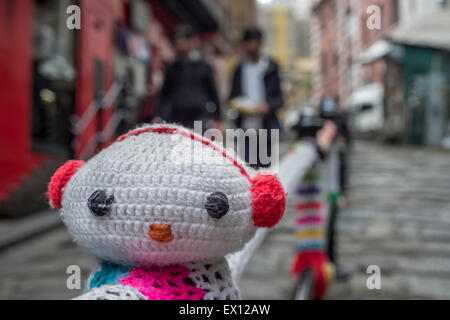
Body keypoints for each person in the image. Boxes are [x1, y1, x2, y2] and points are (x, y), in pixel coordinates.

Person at [229, 27, 283, 168]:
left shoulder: (271, 67)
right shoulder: (239, 69)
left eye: (253, 42)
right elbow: (232, 97)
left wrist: (267, 106)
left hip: (266, 127)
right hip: (245, 128)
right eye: (247, 42)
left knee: (265, 170)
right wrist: (239, 106)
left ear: (260, 43)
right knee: (247, 169)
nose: (250, 46)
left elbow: (280, 99)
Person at [153, 25, 222, 132]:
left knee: (197, 147)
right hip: (177, 118)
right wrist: (158, 115)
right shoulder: (172, 68)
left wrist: (219, 119)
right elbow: (164, 94)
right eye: (176, 41)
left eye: (182, 40)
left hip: (200, 118)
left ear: (191, 42)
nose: (179, 44)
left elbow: (213, 93)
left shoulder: (203, 66)